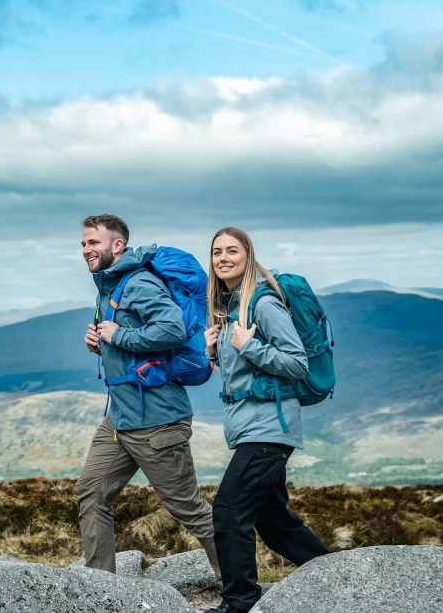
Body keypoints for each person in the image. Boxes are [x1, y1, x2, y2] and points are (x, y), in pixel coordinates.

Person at [76, 213, 221, 581]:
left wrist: (116, 337)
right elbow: (129, 338)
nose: (86, 249)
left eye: (94, 242)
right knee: (91, 493)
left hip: (158, 419)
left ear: (117, 245)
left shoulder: (138, 282)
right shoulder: (109, 285)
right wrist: (99, 342)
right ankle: (101, 586)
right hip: (121, 418)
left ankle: (239, 585)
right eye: (83, 243)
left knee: (188, 509)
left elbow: (171, 328)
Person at [202, 226, 332, 613]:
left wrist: (250, 345)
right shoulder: (231, 307)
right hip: (250, 427)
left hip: (270, 428)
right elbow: (244, 373)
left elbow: (296, 362)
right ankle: (338, 572)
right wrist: (215, 352)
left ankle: (239, 603)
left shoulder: (262, 303)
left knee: (228, 512)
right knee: (274, 521)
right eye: (216, 252)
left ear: (248, 256)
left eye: (232, 251)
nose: (223, 258)